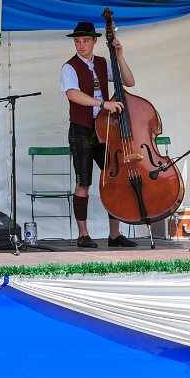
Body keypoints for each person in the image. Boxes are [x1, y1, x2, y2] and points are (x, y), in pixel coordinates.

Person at [61, 21, 138, 248]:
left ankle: (114, 234)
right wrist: (102, 103)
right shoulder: (69, 67)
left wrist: (119, 56)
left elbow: (129, 81)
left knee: (113, 180)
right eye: (77, 41)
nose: (81, 45)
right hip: (82, 128)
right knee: (83, 182)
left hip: (105, 128)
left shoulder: (104, 63)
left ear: (95, 41)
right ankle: (83, 234)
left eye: (85, 41)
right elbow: (73, 94)